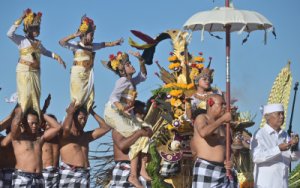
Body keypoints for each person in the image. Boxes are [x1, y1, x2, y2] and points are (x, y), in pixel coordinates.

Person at [103, 51, 151, 188]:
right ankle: (133, 176)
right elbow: (113, 98)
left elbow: (143, 76)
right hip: (113, 113)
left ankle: (141, 169)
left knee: (146, 131)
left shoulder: (130, 81)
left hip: (122, 113)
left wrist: (141, 61)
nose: (131, 65)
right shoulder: (123, 80)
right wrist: (123, 108)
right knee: (137, 133)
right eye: (128, 64)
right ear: (122, 70)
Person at [7, 9, 66, 119]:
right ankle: (21, 121)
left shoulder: (38, 43)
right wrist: (21, 17)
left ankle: (34, 120)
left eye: (37, 27)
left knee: (35, 98)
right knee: (25, 97)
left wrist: (57, 56)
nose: (36, 29)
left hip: (36, 73)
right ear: (28, 28)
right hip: (24, 71)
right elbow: (9, 34)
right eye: (34, 27)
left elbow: (45, 52)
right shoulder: (21, 40)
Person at [59, 15, 123, 111]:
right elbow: (61, 42)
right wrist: (73, 35)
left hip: (88, 74)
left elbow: (103, 44)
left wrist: (114, 43)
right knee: (77, 99)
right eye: (91, 35)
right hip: (77, 73)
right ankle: (70, 112)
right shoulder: (76, 45)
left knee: (89, 99)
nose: (93, 37)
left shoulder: (92, 46)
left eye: (93, 35)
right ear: (84, 34)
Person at [59, 101, 111, 187]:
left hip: (85, 174)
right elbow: (67, 128)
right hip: (70, 173)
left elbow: (106, 128)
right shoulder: (65, 136)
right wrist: (70, 113)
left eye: (85, 119)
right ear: (74, 118)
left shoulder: (86, 136)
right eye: (80, 118)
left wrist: (92, 112)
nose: (83, 121)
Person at [191, 94, 237, 188]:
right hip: (205, 167)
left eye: (225, 104)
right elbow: (203, 132)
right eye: (221, 104)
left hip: (222, 171)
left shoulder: (224, 127)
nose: (224, 107)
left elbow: (230, 149)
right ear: (210, 103)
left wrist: (230, 161)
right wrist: (222, 119)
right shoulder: (202, 118)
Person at [250, 103, 300, 188]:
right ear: (267, 117)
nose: (282, 117)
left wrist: (295, 146)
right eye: (278, 114)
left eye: (283, 114)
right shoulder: (260, 134)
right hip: (266, 184)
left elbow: (294, 157)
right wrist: (278, 149)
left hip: (283, 184)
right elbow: (256, 157)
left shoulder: (285, 135)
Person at [10, 106, 61, 187]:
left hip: (39, 178)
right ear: (24, 122)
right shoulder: (18, 137)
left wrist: (42, 113)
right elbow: (15, 123)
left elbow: (57, 127)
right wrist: (21, 109)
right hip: (23, 177)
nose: (34, 126)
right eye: (32, 123)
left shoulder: (40, 138)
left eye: (36, 123)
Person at [42, 114, 60, 188]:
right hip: (44, 172)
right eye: (47, 123)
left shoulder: (59, 138)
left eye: (51, 123)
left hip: (56, 172)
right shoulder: (40, 137)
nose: (49, 125)